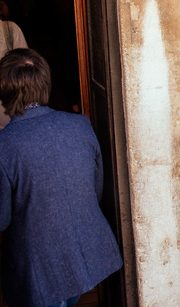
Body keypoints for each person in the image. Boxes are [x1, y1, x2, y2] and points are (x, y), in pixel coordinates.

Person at [0, 48, 123, 307]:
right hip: (83, 255)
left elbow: (2, 218)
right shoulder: (80, 124)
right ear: (46, 83)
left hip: (38, 270)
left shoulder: (5, 144)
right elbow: (95, 190)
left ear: (4, 91)